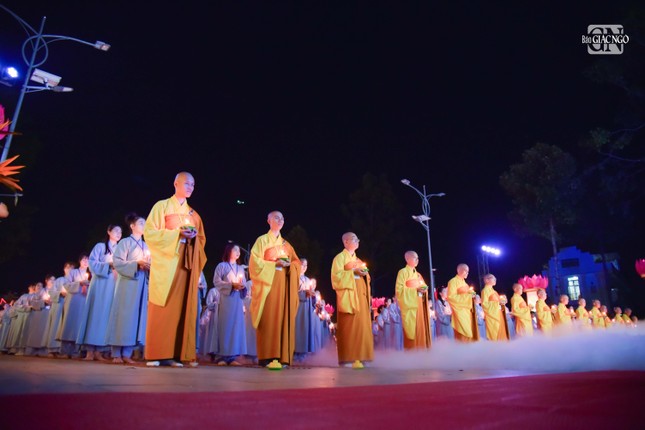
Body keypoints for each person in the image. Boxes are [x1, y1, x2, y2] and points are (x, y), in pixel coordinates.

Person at [144, 171, 207, 367]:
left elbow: (201, 241)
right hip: (167, 263)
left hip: (185, 265)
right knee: (162, 307)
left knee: (181, 308)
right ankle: (156, 354)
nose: (190, 187)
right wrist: (176, 234)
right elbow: (150, 233)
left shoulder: (194, 215)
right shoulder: (161, 206)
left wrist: (192, 238)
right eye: (187, 183)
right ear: (176, 184)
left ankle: (176, 354)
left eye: (193, 185)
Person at [249, 211, 301, 368]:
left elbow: (297, 263)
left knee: (282, 318)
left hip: (283, 286)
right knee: (268, 318)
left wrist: (290, 265)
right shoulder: (262, 241)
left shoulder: (287, 245)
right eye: (276, 217)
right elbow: (254, 263)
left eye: (282, 218)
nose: (280, 220)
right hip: (268, 286)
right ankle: (266, 356)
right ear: (268, 220)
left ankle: (281, 355)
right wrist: (273, 264)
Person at [106, 213, 150, 364]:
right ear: (132, 226)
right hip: (127, 283)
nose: (144, 226)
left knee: (135, 318)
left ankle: (127, 353)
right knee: (122, 316)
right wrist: (136, 264)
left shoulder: (146, 245)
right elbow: (117, 262)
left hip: (140, 284)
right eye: (141, 223)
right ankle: (116, 353)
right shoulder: (125, 242)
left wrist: (148, 266)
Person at [77, 224, 122, 361]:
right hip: (99, 283)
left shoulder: (120, 249)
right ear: (109, 231)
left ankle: (100, 351)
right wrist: (108, 265)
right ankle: (90, 351)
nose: (118, 233)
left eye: (120, 232)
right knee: (95, 314)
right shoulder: (100, 246)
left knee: (106, 315)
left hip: (112, 284)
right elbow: (92, 263)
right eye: (116, 231)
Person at [331, 232, 373, 367]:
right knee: (349, 328)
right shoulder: (339, 258)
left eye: (357, 239)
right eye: (354, 239)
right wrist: (353, 272)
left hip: (361, 297)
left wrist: (365, 275)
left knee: (362, 328)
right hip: (349, 298)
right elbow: (336, 278)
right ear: (346, 242)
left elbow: (367, 278)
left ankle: (363, 357)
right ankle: (348, 358)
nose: (357, 241)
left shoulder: (359, 260)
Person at [213, 243, 248, 366]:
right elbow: (216, 281)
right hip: (226, 300)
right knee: (225, 326)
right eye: (235, 250)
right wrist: (231, 285)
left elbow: (244, 283)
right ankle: (221, 356)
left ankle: (233, 356)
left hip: (237, 300)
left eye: (239, 251)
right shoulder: (221, 266)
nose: (238, 253)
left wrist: (242, 286)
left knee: (235, 327)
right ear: (229, 251)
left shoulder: (240, 268)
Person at [394, 250, 431, 350]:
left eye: (418, 258)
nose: (417, 260)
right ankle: (412, 354)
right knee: (412, 331)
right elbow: (399, 291)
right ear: (407, 259)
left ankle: (422, 353)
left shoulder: (418, 275)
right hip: (410, 306)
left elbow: (423, 287)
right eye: (415, 258)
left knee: (421, 329)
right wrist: (415, 290)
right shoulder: (402, 272)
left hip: (419, 305)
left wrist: (424, 290)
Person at [56, 254, 91, 358]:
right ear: (80, 261)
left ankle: (78, 351)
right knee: (70, 323)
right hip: (73, 300)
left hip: (85, 300)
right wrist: (79, 283)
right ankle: (66, 351)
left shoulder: (91, 273)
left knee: (81, 325)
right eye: (84, 259)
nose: (86, 261)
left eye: (88, 260)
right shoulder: (73, 272)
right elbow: (66, 285)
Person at [42, 263, 73, 358]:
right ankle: (52, 349)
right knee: (55, 326)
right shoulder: (60, 280)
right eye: (68, 267)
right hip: (59, 304)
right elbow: (51, 292)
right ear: (64, 269)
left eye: (72, 268)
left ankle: (64, 350)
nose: (70, 269)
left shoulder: (74, 281)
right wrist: (60, 293)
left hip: (70, 306)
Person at [447, 264, 477, 342]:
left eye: (468, 271)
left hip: (467, 311)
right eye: (466, 271)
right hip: (459, 311)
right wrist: (468, 296)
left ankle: (468, 349)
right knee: (465, 332)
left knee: (469, 332)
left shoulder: (465, 284)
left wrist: (472, 295)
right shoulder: (453, 281)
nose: (467, 273)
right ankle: (462, 348)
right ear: (459, 270)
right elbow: (451, 297)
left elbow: (469, 297)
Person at [294, 258, 316, 361]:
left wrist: (312, 295)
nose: (304, 267)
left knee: (306, 329)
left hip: (307, 307)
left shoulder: (307, 280)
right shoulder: (294, 277)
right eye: (302, 264)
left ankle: (304, 352)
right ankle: (296, 351)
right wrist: (304, 293)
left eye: (306, 265)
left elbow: (311, 294)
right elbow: (293, 292)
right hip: (298, 306)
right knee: (298, 328)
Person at [480, 274, 508, 341]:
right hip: (492, 317)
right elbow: (484, 305)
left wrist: (503, 301)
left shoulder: (494, 292)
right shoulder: (485, 291)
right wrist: (498, 303)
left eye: (495, 278)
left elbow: (499, 303)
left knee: (502, 335)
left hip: (498, 314)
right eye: (493, 278)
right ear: (487, 280)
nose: (495, 280)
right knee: (494, 335)